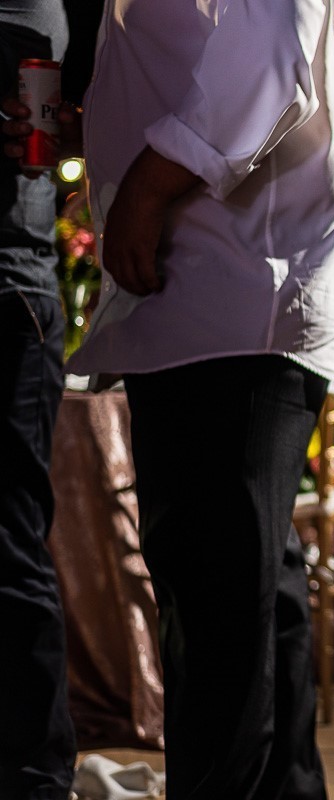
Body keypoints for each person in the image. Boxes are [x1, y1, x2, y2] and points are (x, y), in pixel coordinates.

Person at [67, 2, 334, 797]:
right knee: (253, 588)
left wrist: (146, 189)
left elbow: (263, 63)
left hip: (233, 284)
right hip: (218, 290)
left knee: (217, 599)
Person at [0, 2, 76, 797]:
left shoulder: (21, 16)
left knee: (8, 545)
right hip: (18, 283)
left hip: (8, 283)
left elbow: (27, 132)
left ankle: (32, 775)